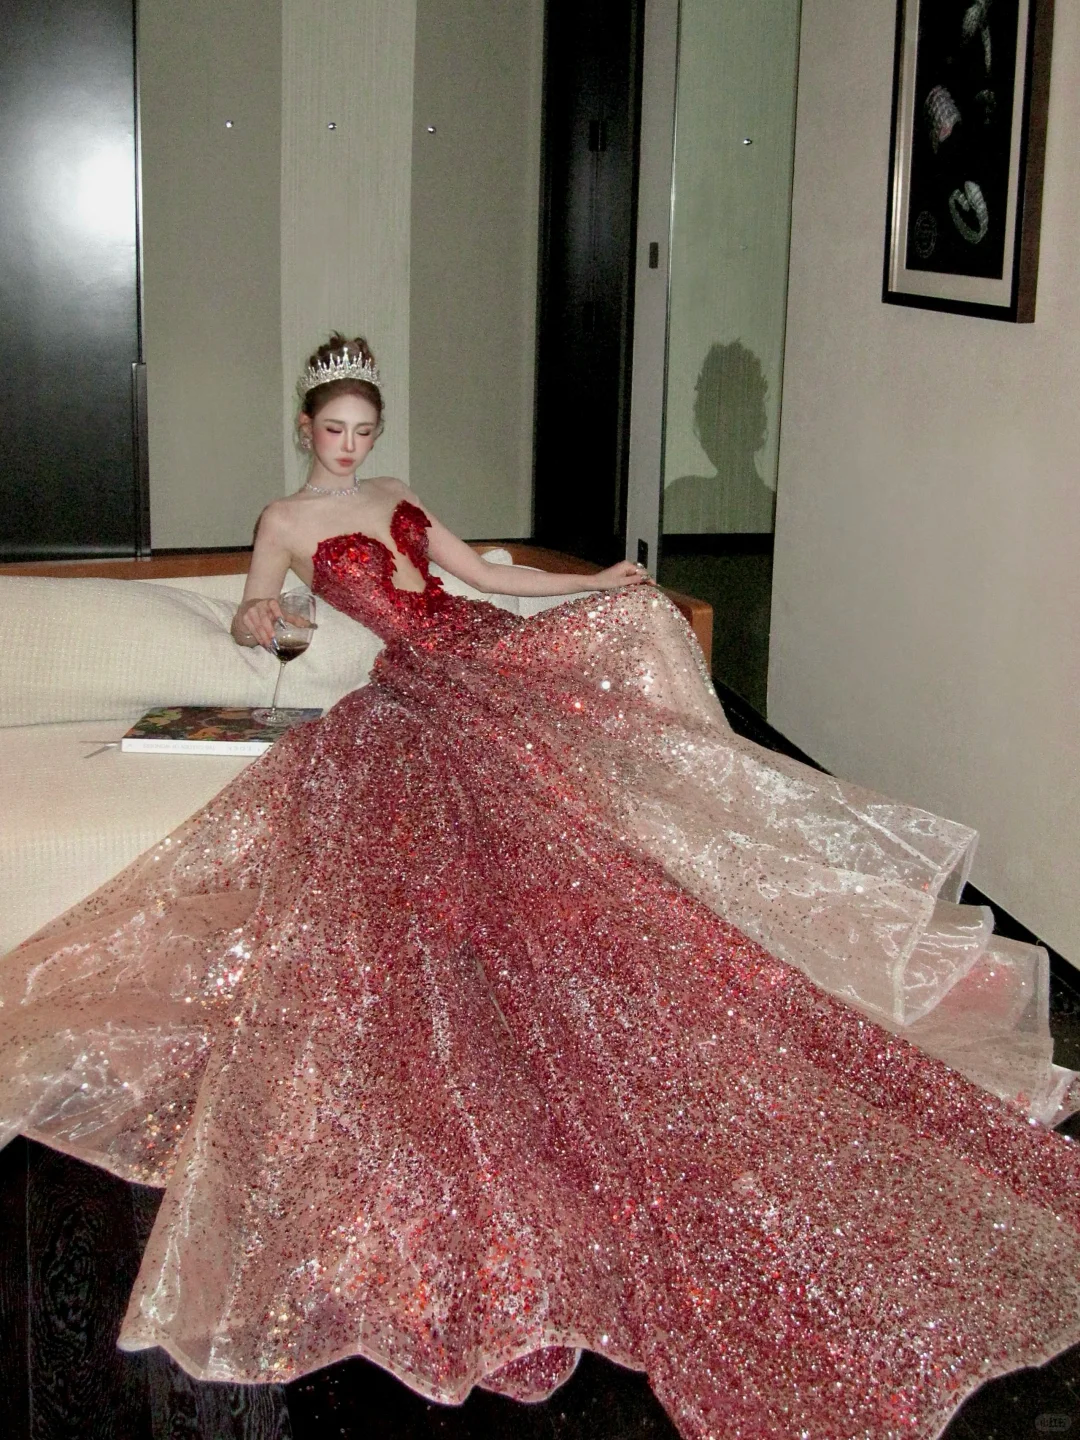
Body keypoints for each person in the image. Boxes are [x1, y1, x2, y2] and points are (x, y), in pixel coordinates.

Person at [1, 333, 1078, 1440]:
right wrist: (256, 620)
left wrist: (593, 582)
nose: (350, 448)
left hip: (485, 654)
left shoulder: (400, 493)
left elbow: (484, 577)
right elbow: (253, 610)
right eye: (335, 431)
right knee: (457, 815)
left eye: (365, 431)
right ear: (305, 428)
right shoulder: (282, 520)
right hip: (418, 681)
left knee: (619, 698)